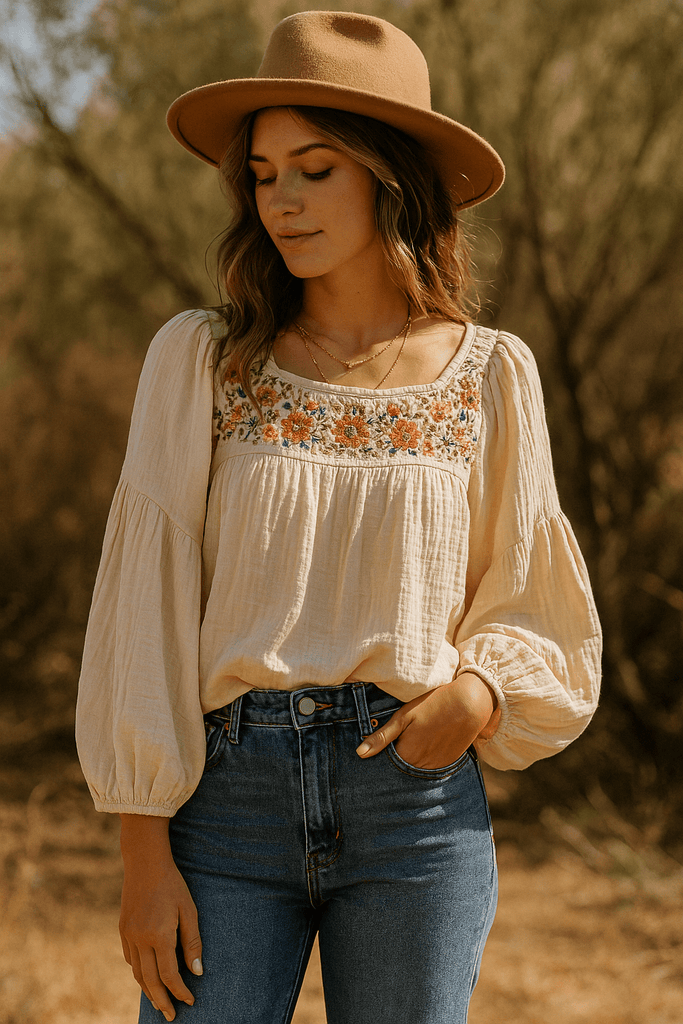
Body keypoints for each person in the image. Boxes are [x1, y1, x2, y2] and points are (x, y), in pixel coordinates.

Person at [75, 11, 602, 1024]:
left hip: (413, 802)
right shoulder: (202, 362)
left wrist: (478, 694)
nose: (282, 200)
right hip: (222, 803)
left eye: (314, 168)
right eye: (264, 174)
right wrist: (143, 855)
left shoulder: (491, 376)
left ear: (387, 176)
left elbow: (534, 596)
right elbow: (141, 609)